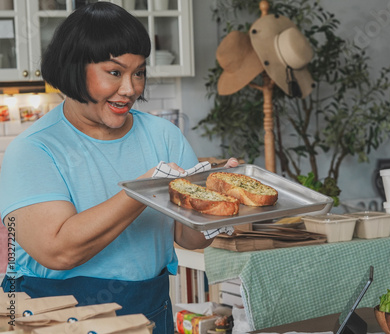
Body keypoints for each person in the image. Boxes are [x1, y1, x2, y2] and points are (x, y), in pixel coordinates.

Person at [0, 2, 237, 333]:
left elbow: (189, 237)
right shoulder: (33, 149)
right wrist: (144, 190)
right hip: (54, 315)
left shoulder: (163, 135)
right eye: (115, 72)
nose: (131, 89)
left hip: (149, 309)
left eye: (138, 72)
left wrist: (219, 209)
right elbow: (58, 252)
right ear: (73, 68)